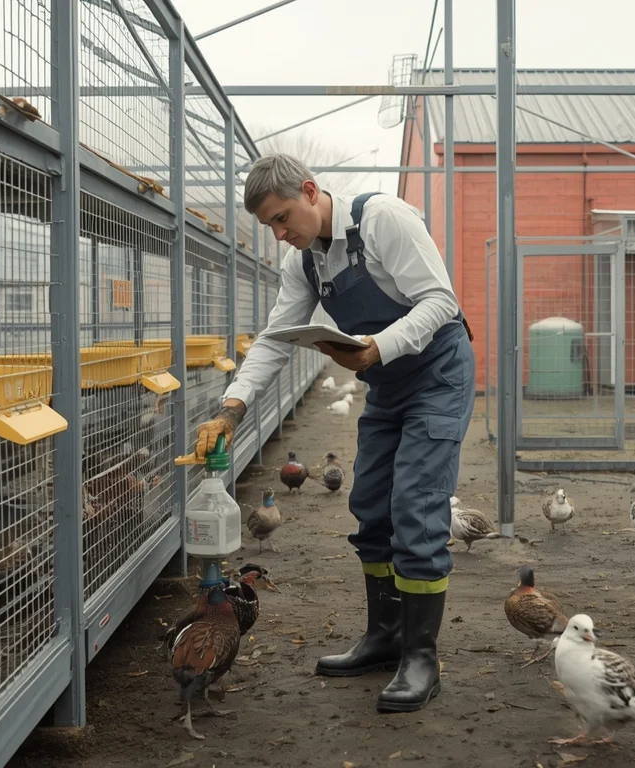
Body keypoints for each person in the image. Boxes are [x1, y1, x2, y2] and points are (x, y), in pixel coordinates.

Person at [193, 153, 475, 714]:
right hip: (387, 382)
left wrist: (376, 347)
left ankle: (421, 657)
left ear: (310, 190)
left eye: (281, 218)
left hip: (437, 375)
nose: (279, 234)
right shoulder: (304, 263)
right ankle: (385, 636)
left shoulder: (384, 221)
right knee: (370, 504)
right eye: (269, 226)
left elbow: (441, 302)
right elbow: (276, 338)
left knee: (416, 508)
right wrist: (232, 407)